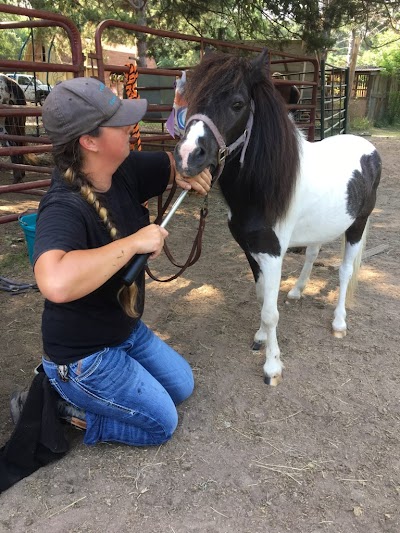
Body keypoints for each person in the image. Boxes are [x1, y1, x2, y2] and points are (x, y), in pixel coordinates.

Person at [12, 77, 212, 447]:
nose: (130, 127)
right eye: (119, 122)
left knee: (183, 386)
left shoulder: (123, 168)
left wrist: (190, 169)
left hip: (125, 332)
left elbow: (173, 164)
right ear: (90, 141)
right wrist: (134, 242)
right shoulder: (64, 205)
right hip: (82, 355)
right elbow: (54, 281)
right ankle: (63, 408)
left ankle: (109, 382)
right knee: (161, 423)